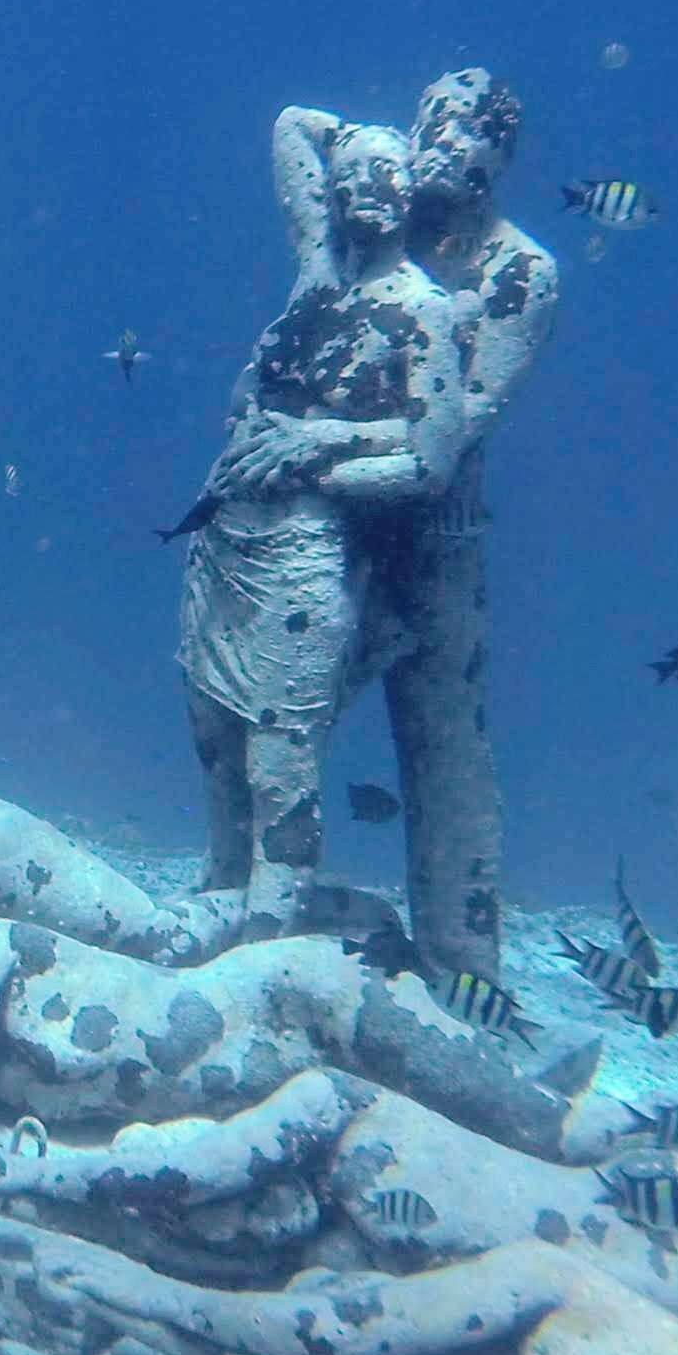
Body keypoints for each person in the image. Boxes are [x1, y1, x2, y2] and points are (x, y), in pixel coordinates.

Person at [177, 117, 475, 937]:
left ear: (412, 189)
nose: (363, 188)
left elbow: (431, 459)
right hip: (225, 540)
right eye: (349, 176)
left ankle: (272, 942)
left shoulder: (423, 309)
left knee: (281, 759)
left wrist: (320, 454)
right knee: (213, 735)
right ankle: (224, 900)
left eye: (386, 173)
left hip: (306, 559)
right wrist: (357, 140)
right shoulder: (317, 275)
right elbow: (287, 125)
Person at [360, 70, 559, 976]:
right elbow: (293, 129)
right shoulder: (370, 220)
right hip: (335, 525)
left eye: (471, 132)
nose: (448, 144)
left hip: (439, 541)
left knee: (450, 759)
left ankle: (463, 971)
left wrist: (322, 439)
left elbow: (469, 415)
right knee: (278, 722)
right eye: (433, 124)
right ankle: (253, 917)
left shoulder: (522, 271)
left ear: (502, 158)